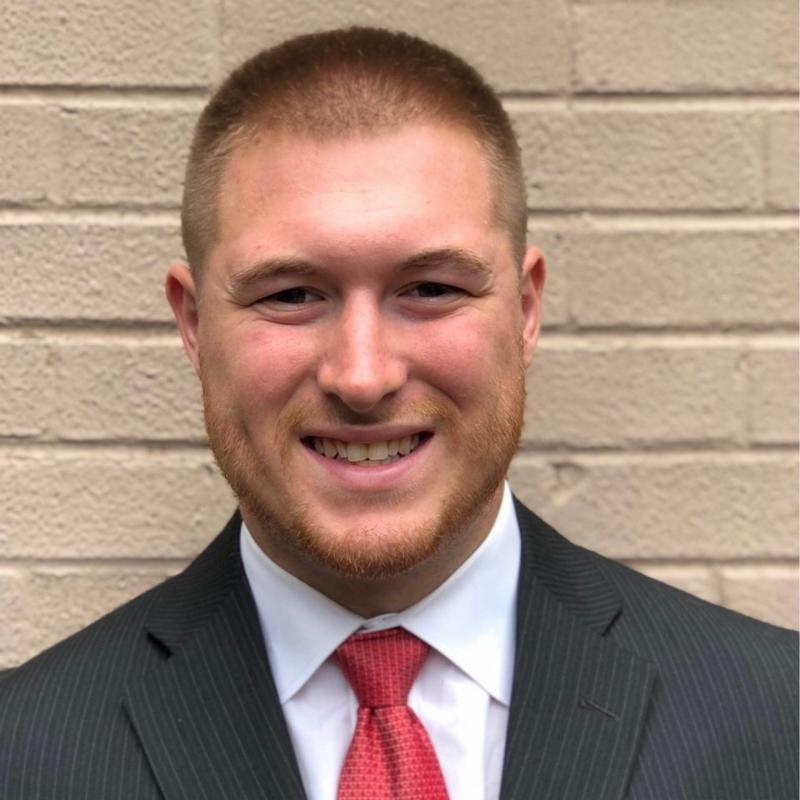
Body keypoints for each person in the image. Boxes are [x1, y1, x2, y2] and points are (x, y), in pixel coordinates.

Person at [1, 26, 796, 800]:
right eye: (292, 294)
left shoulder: (777, 719)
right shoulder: (23, 750)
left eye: (431, 289)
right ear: (195, 324)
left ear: (523, 312)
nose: (362, 376)